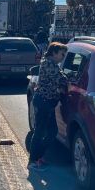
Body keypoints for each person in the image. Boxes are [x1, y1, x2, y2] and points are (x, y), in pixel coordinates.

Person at [28, 42, 68, 171]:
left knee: (52, 132)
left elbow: (61, 76)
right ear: (54, 52)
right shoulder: (48, 64)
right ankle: (33, 161)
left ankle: (39, 156)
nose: (63, 57)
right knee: (40, 132)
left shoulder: (52, 64)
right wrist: (66, 82)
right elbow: (60, 79)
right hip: (43, 102)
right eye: (62, 54)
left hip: (48, 102)